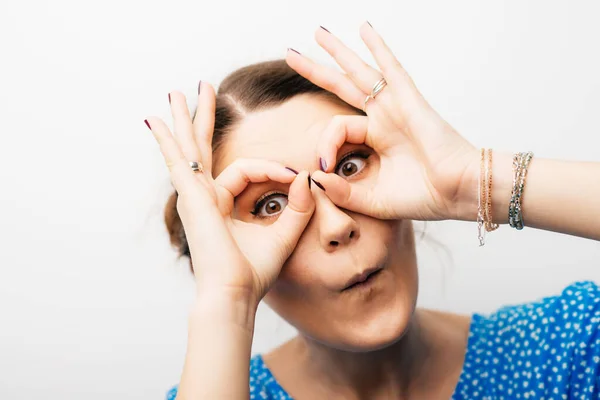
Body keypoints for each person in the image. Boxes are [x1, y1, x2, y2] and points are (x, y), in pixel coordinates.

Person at [145, 22, 600, 399]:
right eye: (271, 205)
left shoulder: (566, 347)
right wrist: (227, 299)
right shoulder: (209, 388)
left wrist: (473, 183)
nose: (338, 225)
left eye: (349, 165)